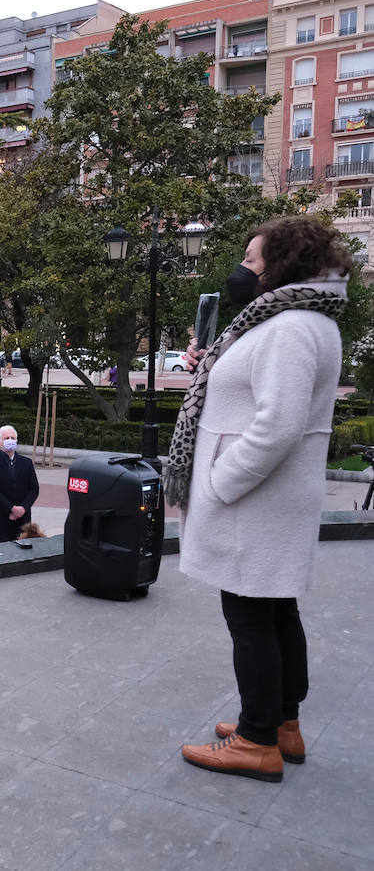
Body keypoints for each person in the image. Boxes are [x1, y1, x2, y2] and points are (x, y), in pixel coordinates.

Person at [171, 216, 350, 782]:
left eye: (252, 260)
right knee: (274, 609)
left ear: (285, 265)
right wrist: (210, 365)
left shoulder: (290, 327)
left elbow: (278, 425)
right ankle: (281, 723)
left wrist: (220, 483)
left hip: (255, 500)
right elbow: (254, 395)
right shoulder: (284, 322)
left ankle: (255, 740)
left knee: (249, 616)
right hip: (266, 499)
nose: (242, 270)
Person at [0, 425, 38, 543]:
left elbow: (34, 489)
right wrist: (11, 508)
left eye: (12, 438)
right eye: (6, 438)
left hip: (23, 519)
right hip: (1, 518)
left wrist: (23, 508)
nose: (10, 440)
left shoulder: (26, 463)